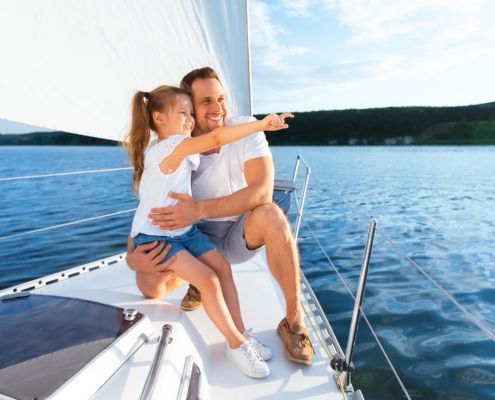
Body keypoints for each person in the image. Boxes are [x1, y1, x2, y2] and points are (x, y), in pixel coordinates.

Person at [126, 67, 314, 366]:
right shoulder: (172, 145)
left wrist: (198, 208)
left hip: (212, 233)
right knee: (152, 287)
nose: (217, 108)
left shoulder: (211, 136)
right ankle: (234, 338)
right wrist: (132, 257)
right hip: (176, 236)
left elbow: (262, 192)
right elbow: (149, 209)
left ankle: (282, 326)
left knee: (263, 225)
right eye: (204, 103)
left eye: (221, 98)